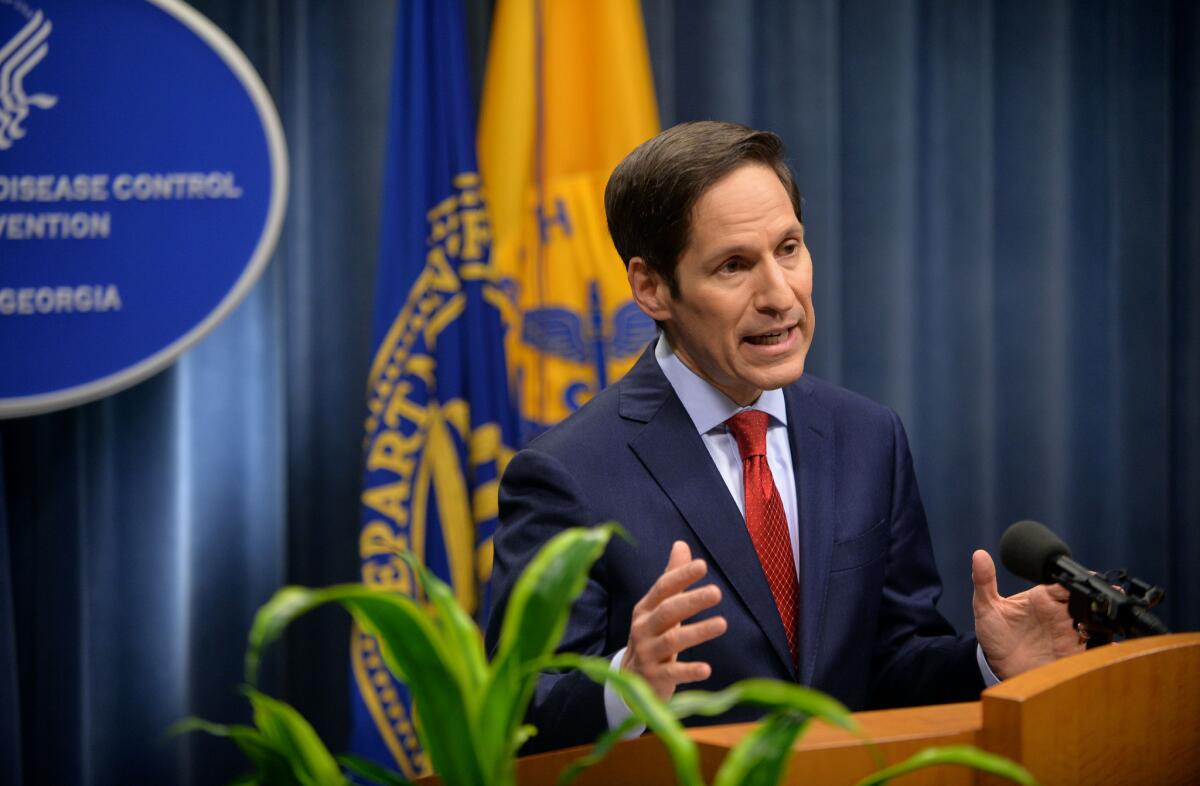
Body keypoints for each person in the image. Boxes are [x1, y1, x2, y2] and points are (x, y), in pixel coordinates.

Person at [484, 121, 1080, 754]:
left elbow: (887, 667)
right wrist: (623, 689)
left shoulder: (867, 437)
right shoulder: (567, 474)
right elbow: (516, 714)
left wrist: (990, 665)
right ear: (652, 287)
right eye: (734, 265)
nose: (779, 294)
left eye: (789, 248)